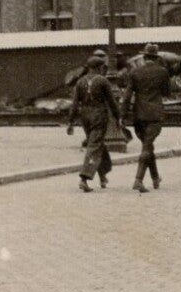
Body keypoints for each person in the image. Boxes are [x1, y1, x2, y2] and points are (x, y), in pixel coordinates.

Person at [66, 51, 124, 191]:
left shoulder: (80, 82)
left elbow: (74, 104)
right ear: (100, 68)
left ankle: (102, 175)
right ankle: (84, 178)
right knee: (94, 146)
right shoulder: (103, 81)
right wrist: (119, 118)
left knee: (96, 143)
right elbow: (111, 102)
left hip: (85, 117)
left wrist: (71, 122)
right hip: (99, 117)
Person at [123, 43, 175, 192]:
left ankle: (155, 178)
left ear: (144, 57)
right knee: (147, 146)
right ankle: (138, 180)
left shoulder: (134, 72)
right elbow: (167, 93)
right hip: (155, 114)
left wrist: (123, 114)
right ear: (156, 57)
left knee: (147, 145)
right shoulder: (162, 72)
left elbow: (127, 95)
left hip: (138, 115)